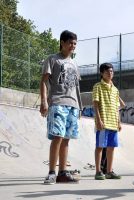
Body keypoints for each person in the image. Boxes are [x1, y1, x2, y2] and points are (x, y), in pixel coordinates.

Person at [40, 30, 82, 184]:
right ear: (62, 43)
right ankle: (52, 172)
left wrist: (80, 107)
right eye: (70, 43)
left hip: (73, 104)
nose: (73, 46)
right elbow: (44, 81)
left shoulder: (74, 64)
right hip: (57, 102)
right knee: (57, 136)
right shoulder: (52, 59)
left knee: (66, 139)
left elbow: (76, 87)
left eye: (75, 43)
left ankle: (62, 172)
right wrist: (44, 101)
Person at [93, 63, 122, 180]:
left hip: (113, 123)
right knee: (100, 146)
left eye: (111, 71)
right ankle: (98, 171)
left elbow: (117, 107)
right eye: (107, 72)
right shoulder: (97, 86)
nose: (110, 73)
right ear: (101, 73)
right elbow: (95, 104)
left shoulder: (115, 89)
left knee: (111, 147)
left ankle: (109, 171)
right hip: (103, 122)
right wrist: (98, 120)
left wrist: (119, 121)